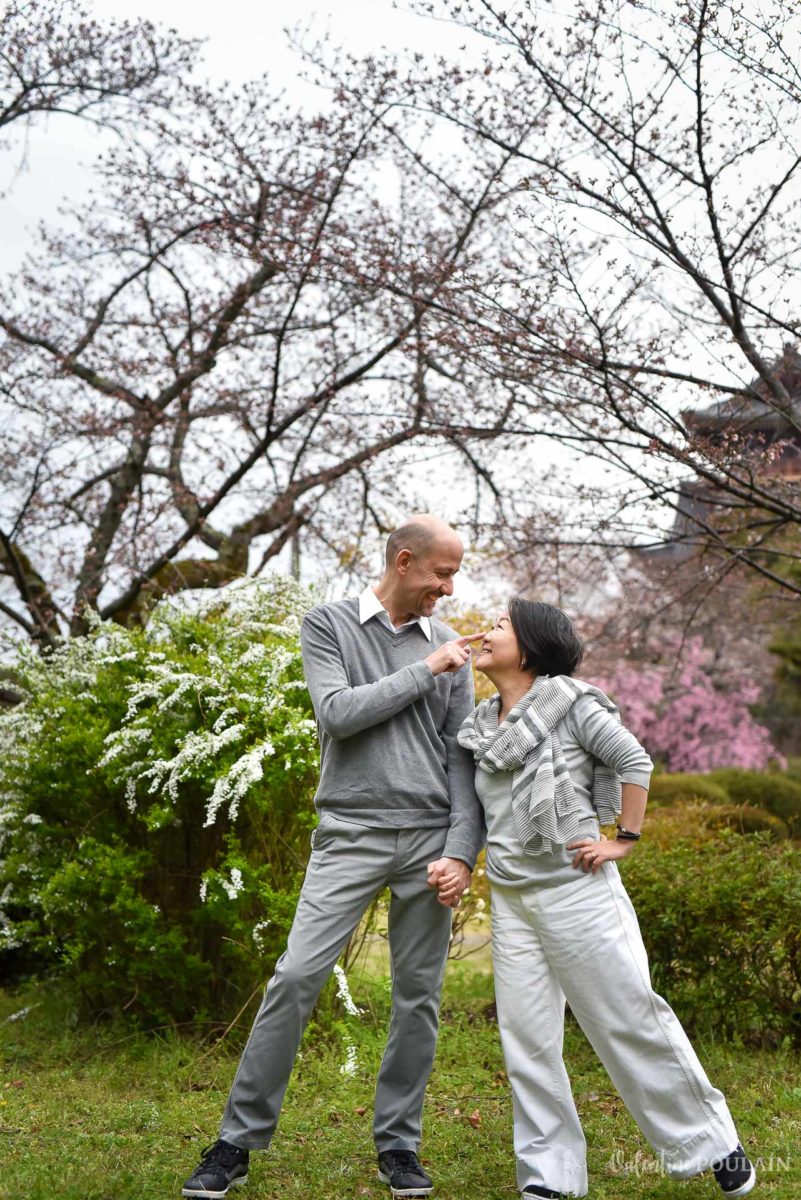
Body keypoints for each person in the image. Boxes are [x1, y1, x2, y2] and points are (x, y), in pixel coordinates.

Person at [181, 515, 484, 1200]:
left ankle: (399, 1147)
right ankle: (235, 1141)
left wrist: (461, 852)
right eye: (442, 572)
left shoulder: (448, 648)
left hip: (429, 839)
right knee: (296, 976)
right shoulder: (329, 625)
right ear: (404, 562)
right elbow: (338, 714)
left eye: (454, 573)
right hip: (349, 831)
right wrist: (424, 668)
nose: (449, 586)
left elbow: (460, 762)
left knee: (418, 998)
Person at [442, 598, 755, 1199]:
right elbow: (484, 813)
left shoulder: (573, 705)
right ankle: (550, 1175)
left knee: (628, 1019)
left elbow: (634, 761)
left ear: (529, 649)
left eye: (501, 626)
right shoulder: (482, 727)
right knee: (527, 1040)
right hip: (514, 900)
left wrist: (623, 841)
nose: (485, 633)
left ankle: (712, 1143)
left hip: (576, 892)